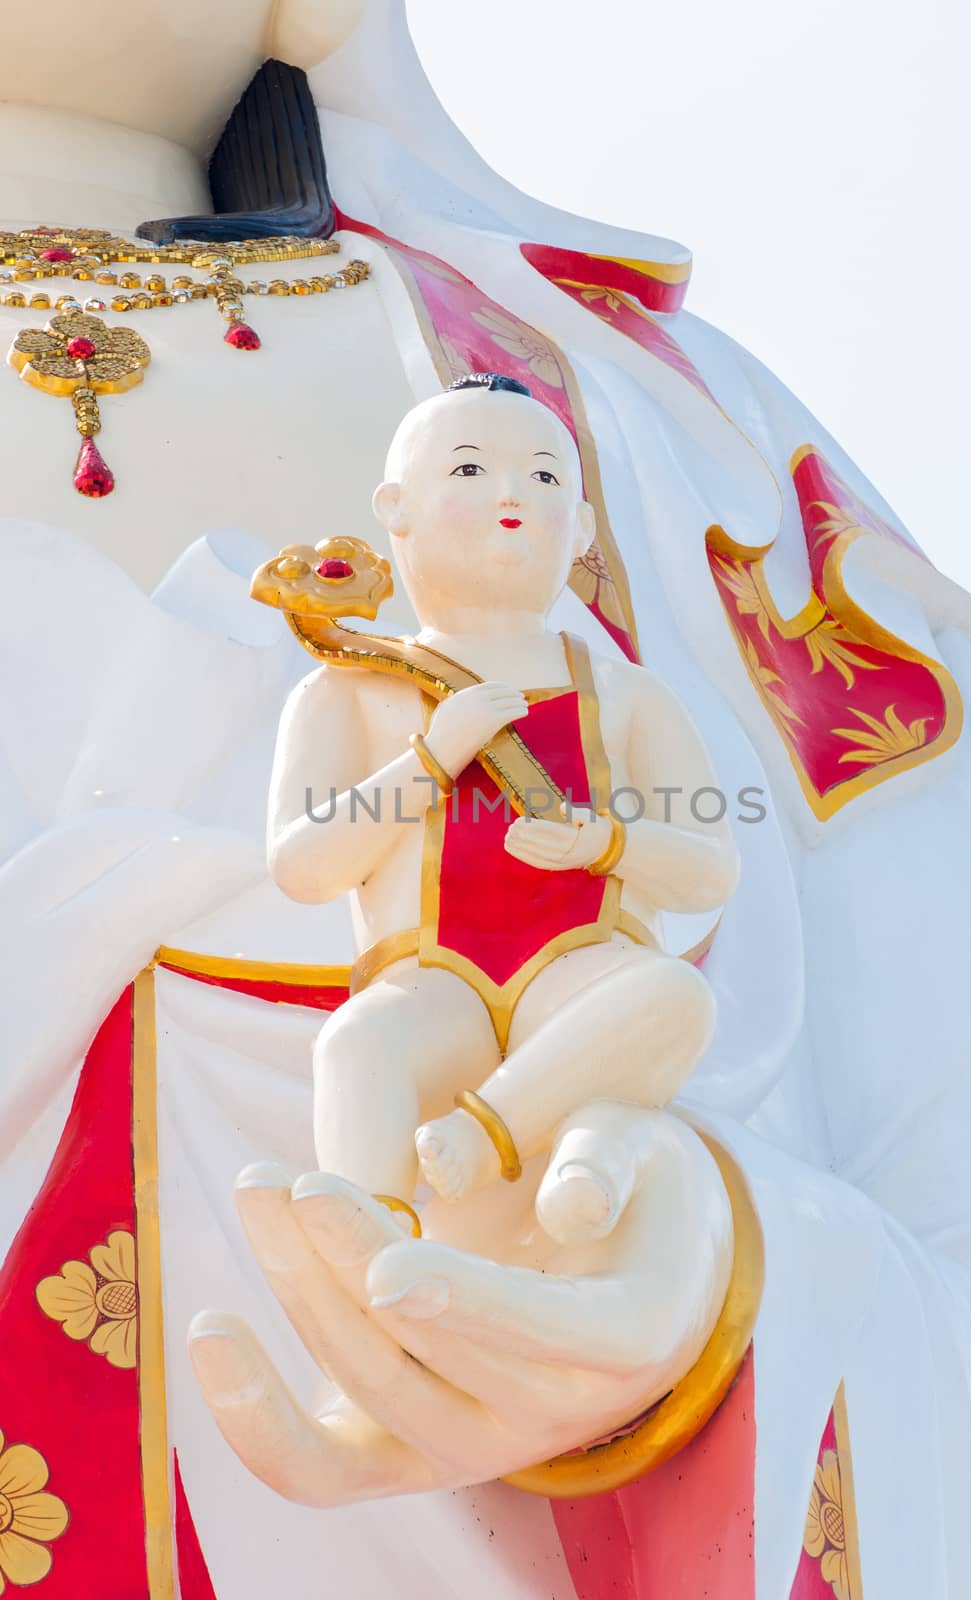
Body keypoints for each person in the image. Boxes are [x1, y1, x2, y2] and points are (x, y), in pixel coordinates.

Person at [266, 373, 738, 1235]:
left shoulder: (625, 696)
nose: (512, 494)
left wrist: (605, 843)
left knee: (674, 997)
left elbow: (708, 869)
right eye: (472, 470)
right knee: (358, 1046)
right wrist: (431, 757)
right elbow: (302, 864)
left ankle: (488, 1134)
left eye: (547, 477)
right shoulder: (349, 690)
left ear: (583, 528)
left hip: (579, 969)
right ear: (395, 507)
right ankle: (364, 1255)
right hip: (428, 979)